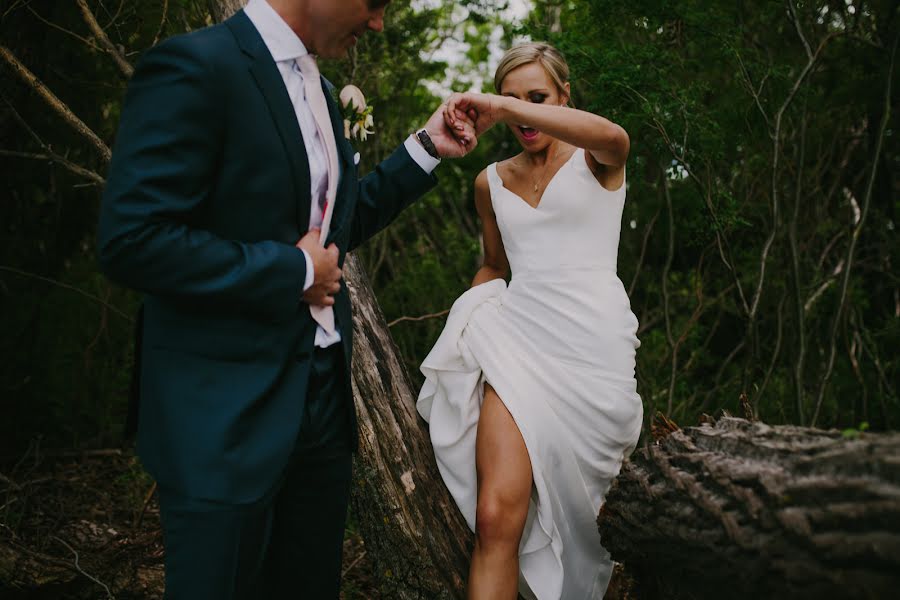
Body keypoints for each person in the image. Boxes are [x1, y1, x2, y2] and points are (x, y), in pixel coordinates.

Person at [96, 1, 476, 598]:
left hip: (321, 397)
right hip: (222, 412)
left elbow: (335, 229)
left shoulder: (322, 91)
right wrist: (292, 269)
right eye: (375, 3)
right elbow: (133, 240)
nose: (378, 22)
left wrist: (426, 148)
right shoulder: (195, 66)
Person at [417, 42, 643, 599]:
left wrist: (508, 107)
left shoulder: (597, 159)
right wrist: (465, 333)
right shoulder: (488, 183)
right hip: (517, 349)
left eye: (536, 98)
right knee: (496, 517)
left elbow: (618, 138)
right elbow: (494, 266)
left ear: (563, 96)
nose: (522, 114)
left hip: (594, 354)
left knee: (593, 529)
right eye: (511, 99)